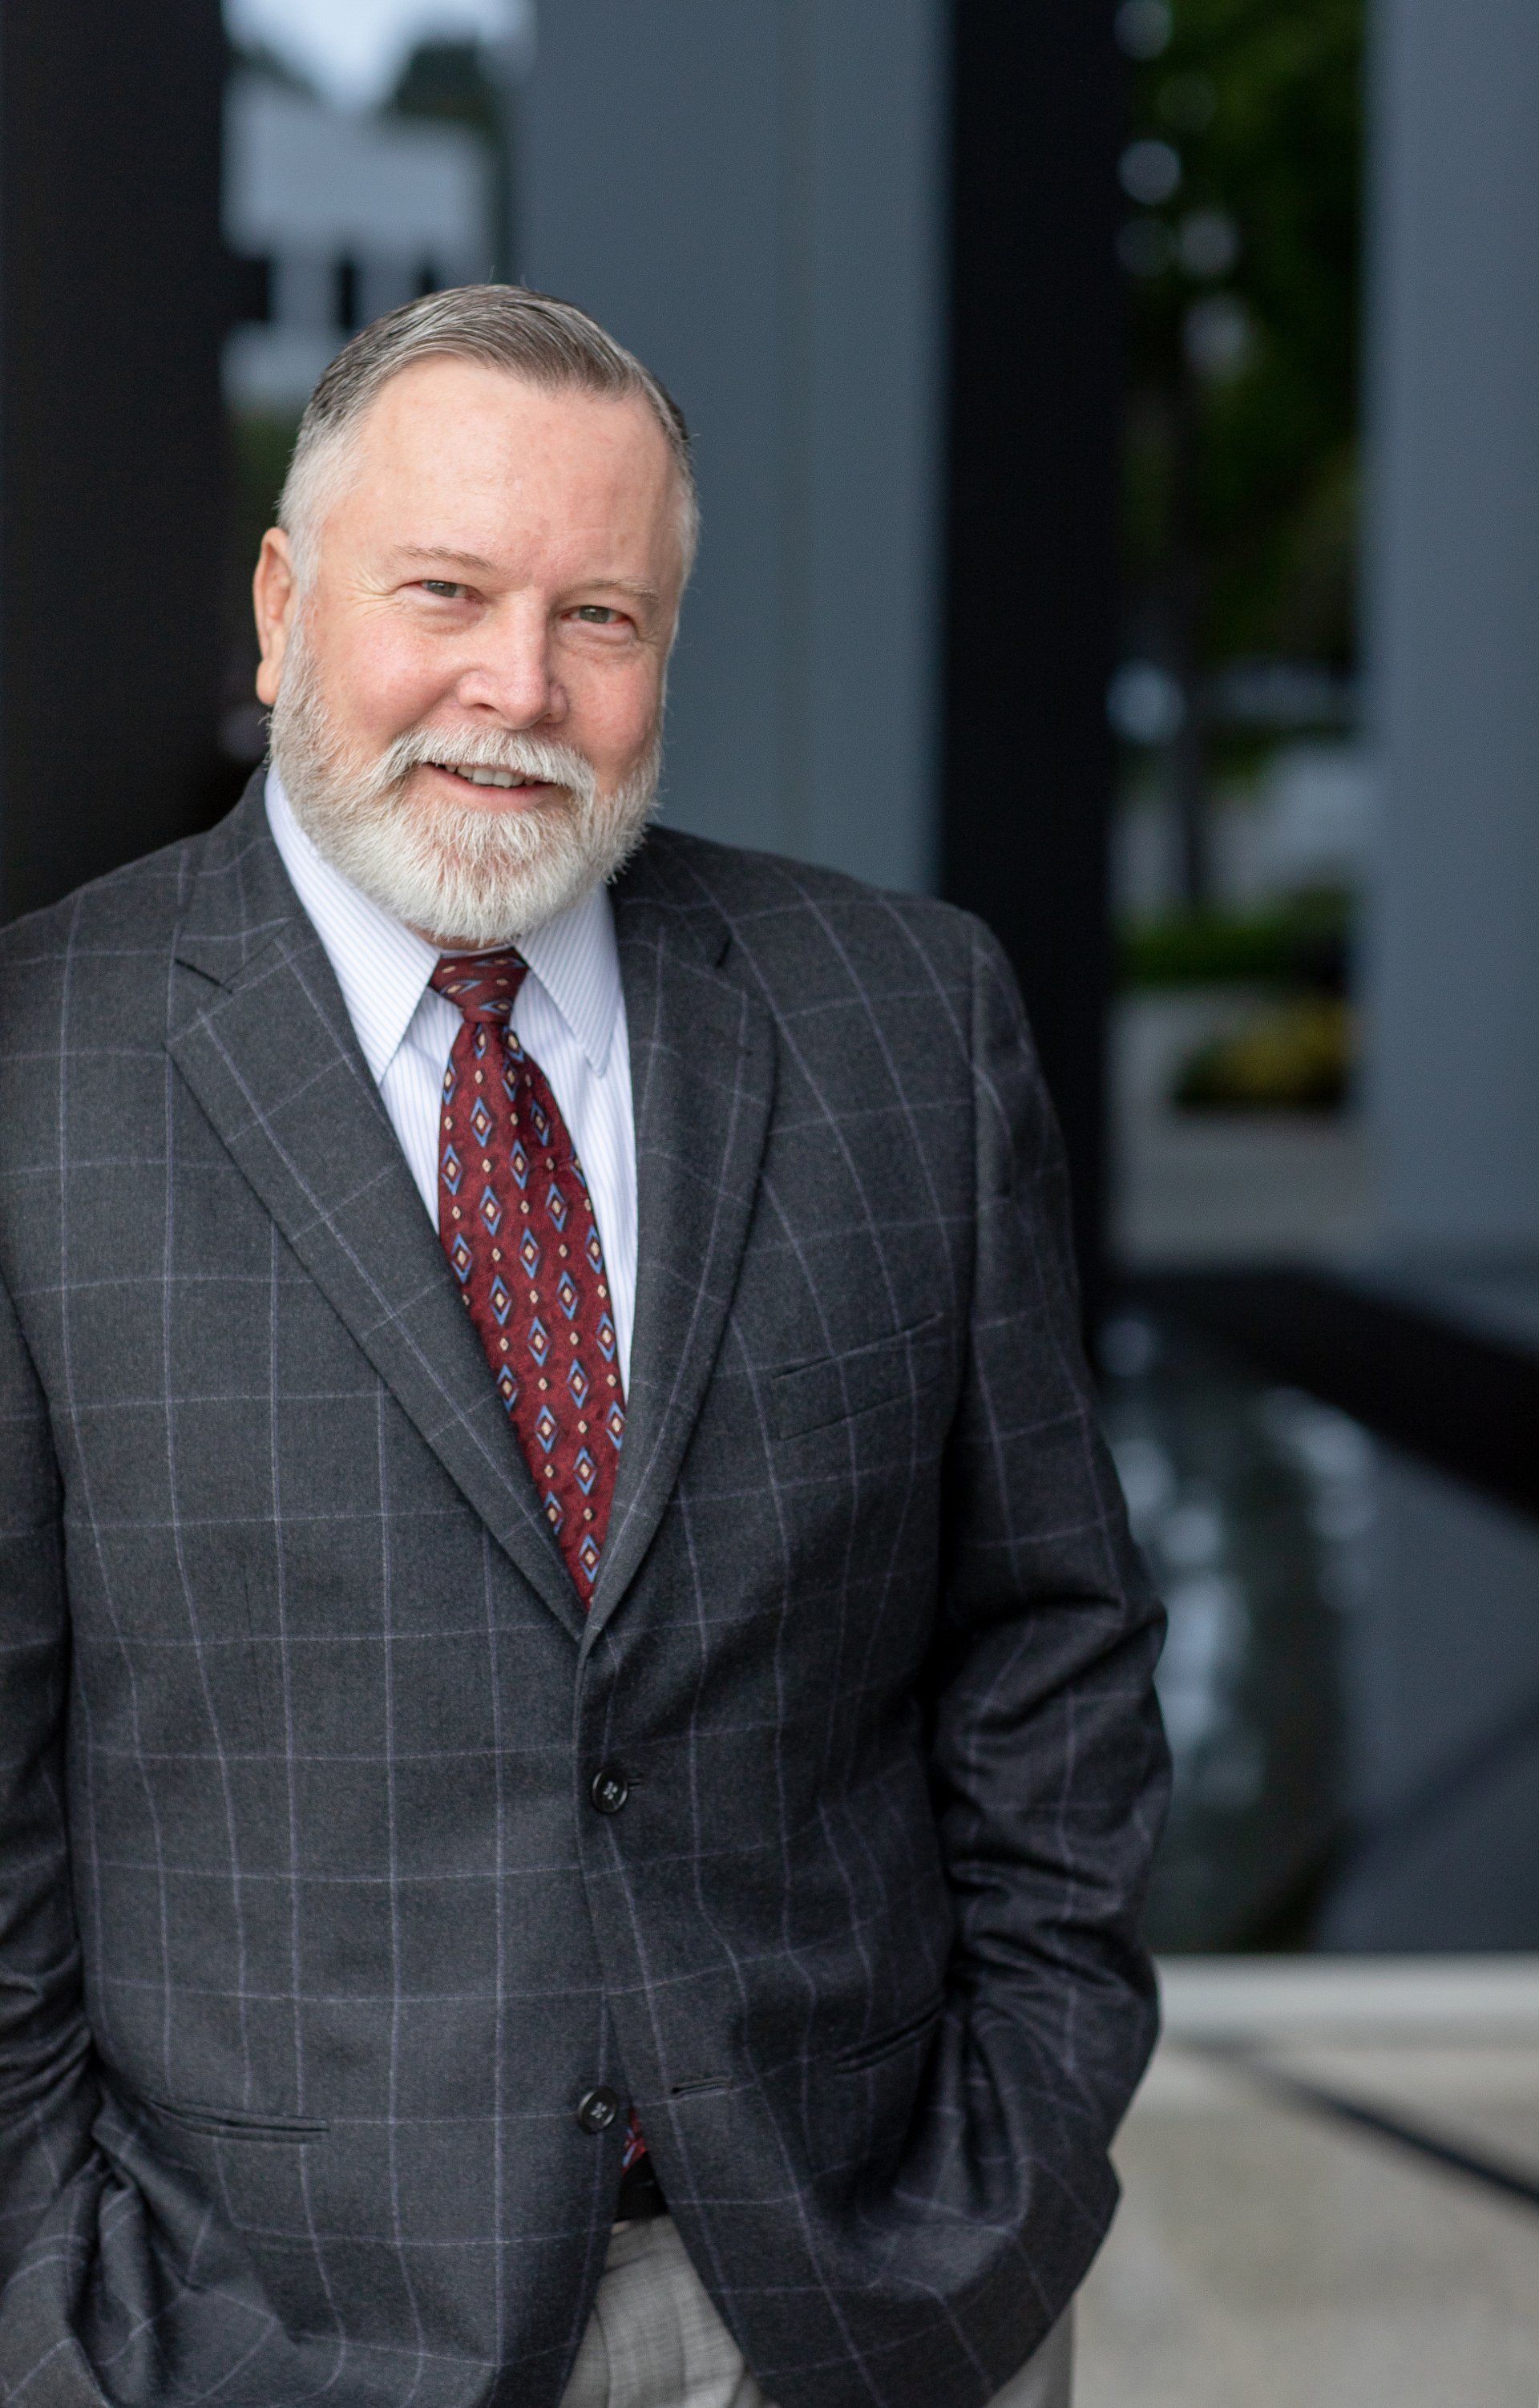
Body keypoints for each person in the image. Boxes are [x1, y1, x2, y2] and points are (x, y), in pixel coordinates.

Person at [0, 286, 1166, 2408]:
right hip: (258, 2337)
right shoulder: (32, 1071)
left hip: (875, 2303)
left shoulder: (904, 1018)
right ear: (282, 606)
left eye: (600, 616)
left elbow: (1050, 1645)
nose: (514, 687)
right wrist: (72, 2323)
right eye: (443, 589)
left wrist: (1007, 2180)